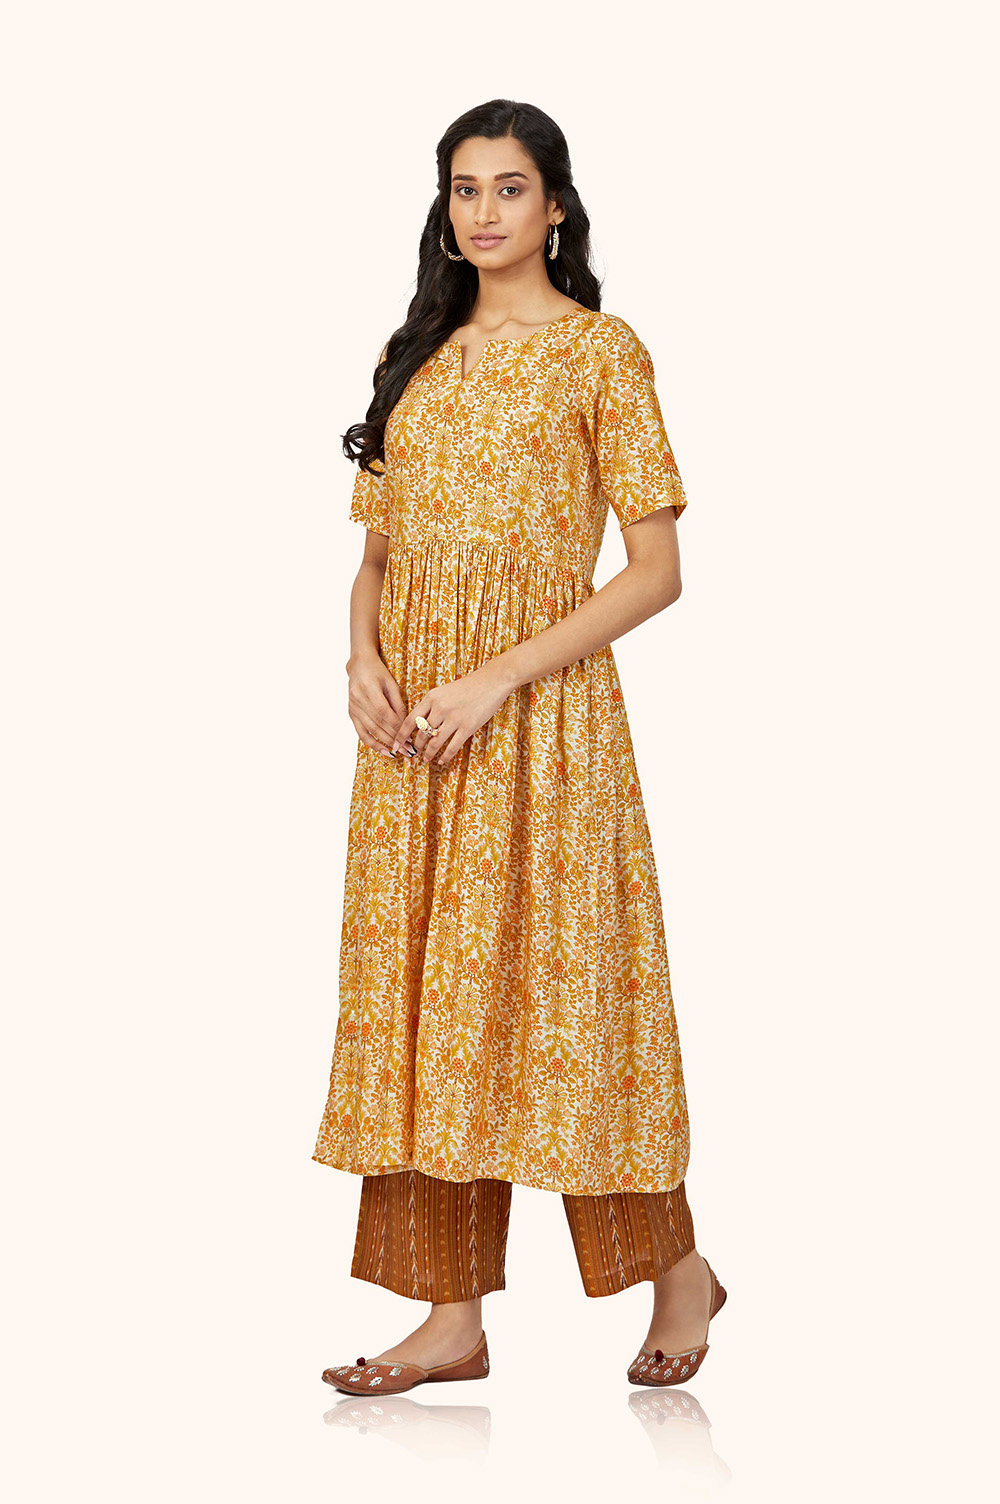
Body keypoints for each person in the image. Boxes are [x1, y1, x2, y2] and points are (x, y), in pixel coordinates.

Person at [314, 98, 727, 1396]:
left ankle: (678, 1271)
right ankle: (451, 1319)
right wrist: (361, 662)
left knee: (572, 1006)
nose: (484, 210)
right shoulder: (415, 357)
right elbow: (376, 558)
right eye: (464, 188)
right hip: (414, 741)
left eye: (509, 187)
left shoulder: (602, 353)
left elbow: (654, 571)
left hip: (541, 725)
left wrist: (494, 676)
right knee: (429, 1011)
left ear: (555, 207)